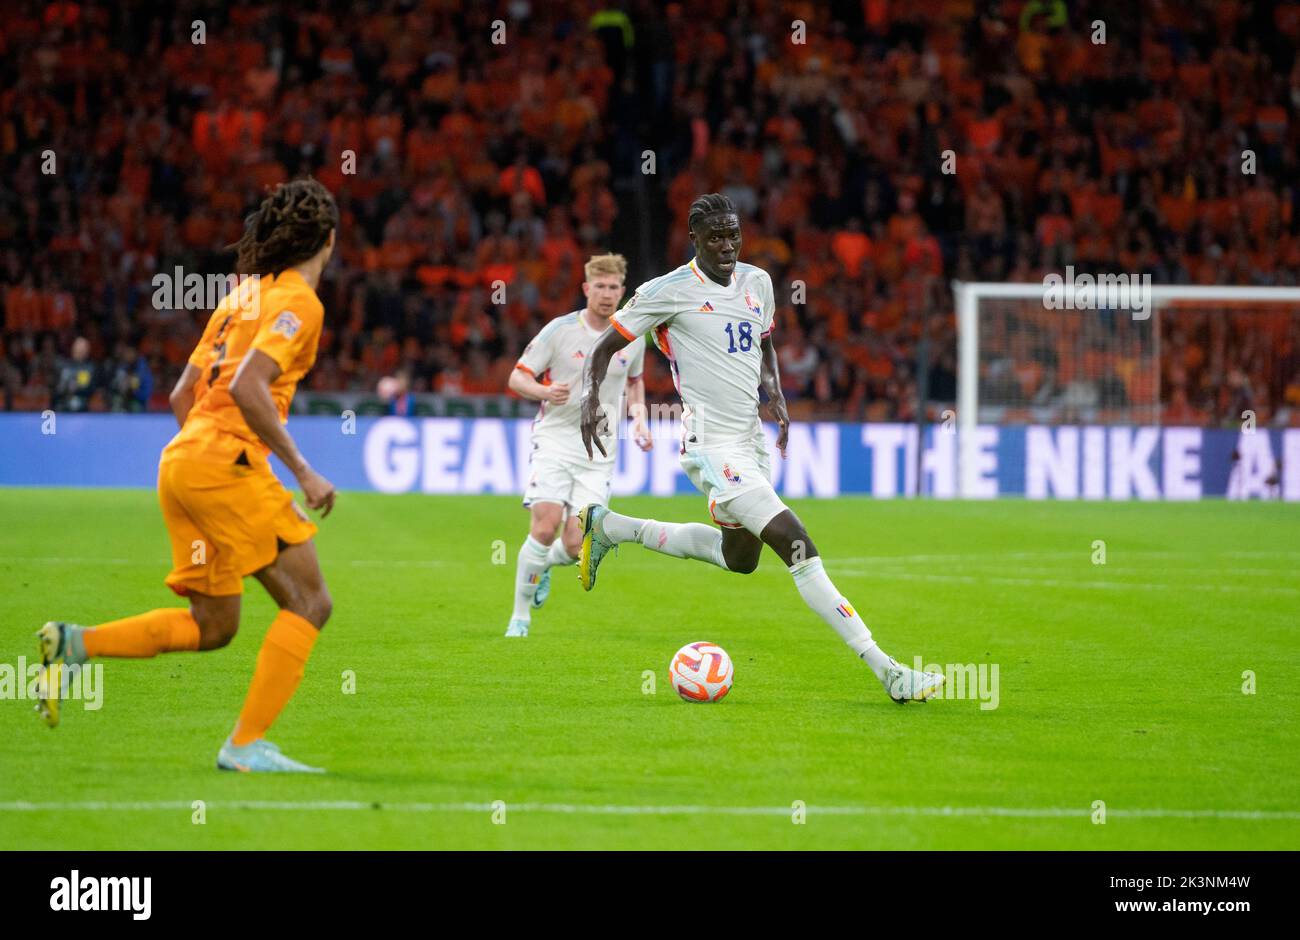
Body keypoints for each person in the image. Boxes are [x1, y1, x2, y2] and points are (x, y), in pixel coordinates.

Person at [575, 193, 945, 703]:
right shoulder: (667, 291)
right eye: (715, 237)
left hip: (751, 442)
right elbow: (605, 347)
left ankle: (611, 526)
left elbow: (764, 344)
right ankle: (889, 671)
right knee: (797, 544)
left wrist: (776, 396)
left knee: (740, 558)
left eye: (733, 235)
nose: (727, 245)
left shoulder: (758, 283)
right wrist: (592, 402)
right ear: (694, 240)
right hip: (712, 447)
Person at [34, 179, 341, 770]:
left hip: (182, 462)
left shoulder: (241, 296)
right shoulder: (299, 301)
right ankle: (245, 746)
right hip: (220, 463)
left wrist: (219, 469)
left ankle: (72, 644)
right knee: (311, 602)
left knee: (214, 624)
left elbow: (183, 393)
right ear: (327, 240)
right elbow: (249, 387)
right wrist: (301, 472)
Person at [504, 253, 652, 637]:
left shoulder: (632, 336)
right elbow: (517, 378)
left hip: (598, 453)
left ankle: (546, 567)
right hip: (555, 440)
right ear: (586, 289)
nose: (606, 294)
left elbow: (634, 381)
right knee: (545, 526)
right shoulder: (559, 330)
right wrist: (543, 390)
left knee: (574, 547)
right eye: (599, 286)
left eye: (613, 287)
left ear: (623, 290)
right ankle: (519, 617)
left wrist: (639, 417)